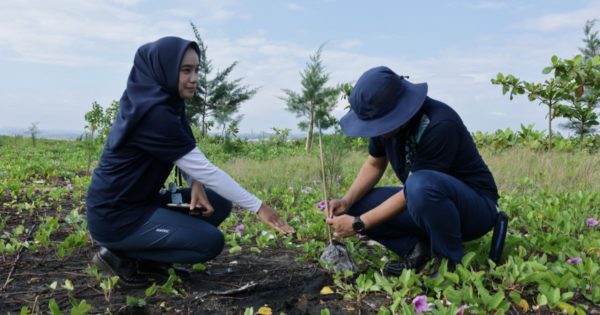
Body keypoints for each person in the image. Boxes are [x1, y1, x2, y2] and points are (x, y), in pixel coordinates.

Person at [86, 36, 294, 288]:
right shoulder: (154, 115)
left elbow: (191, 155)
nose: (194, 78)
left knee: (217, 203)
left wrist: (196, 184)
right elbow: (208, 170)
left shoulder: (165, 104)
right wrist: (259, 207)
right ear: (165, 70)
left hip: (141, 203)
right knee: (209, 242)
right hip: (116, 217)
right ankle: (121, 257)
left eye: (196, 70)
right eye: (185, 70)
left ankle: (150, 260)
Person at [326, 66, 499, 275]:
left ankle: (449, 264)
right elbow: (374, 163)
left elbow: (414, 191)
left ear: (399, 109)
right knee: (356, 205)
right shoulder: (384, 127)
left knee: (419, 186)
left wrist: (359, 224)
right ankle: (417, 249)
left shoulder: (439, 123)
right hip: (423, 199)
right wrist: (346, 202)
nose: (377, 130)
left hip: (474, 209)